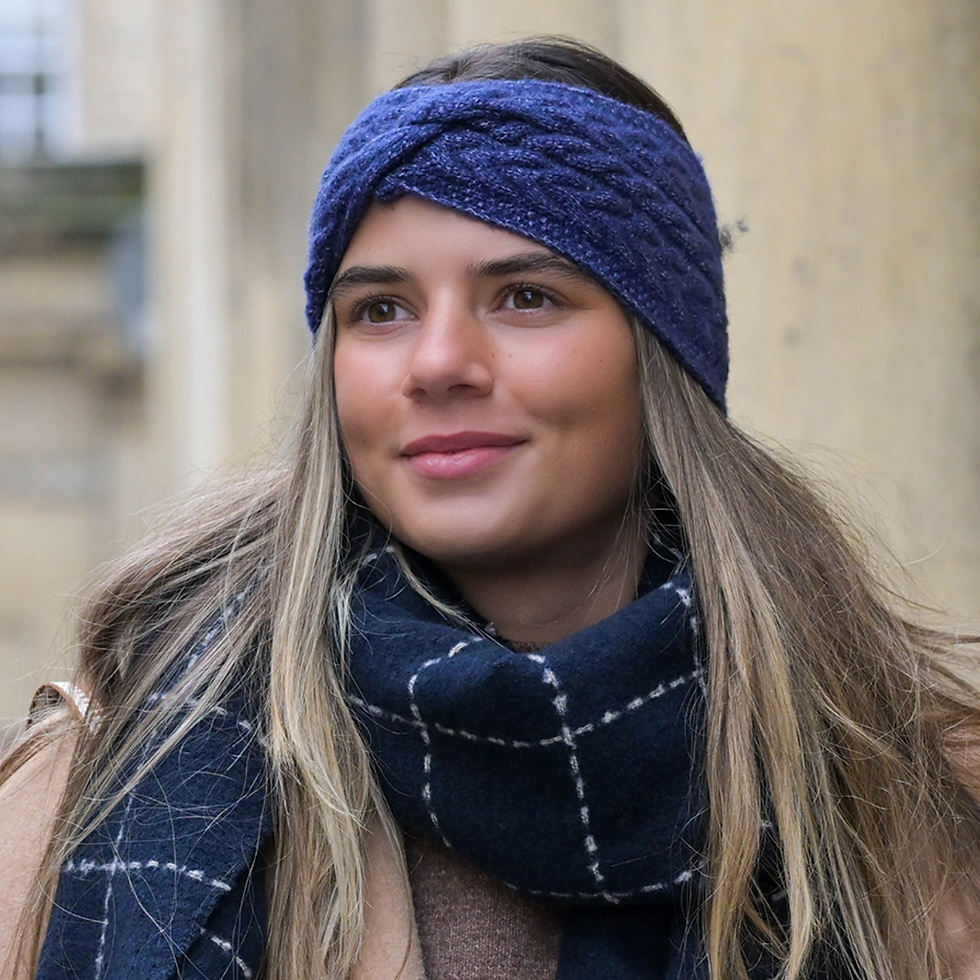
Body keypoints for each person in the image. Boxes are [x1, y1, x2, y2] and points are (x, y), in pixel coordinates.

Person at [2, 34, 980, 980]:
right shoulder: (113, 777)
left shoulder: (914, 803)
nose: (436, 364)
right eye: (379, 309)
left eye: (523, 296)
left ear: (662, 350)